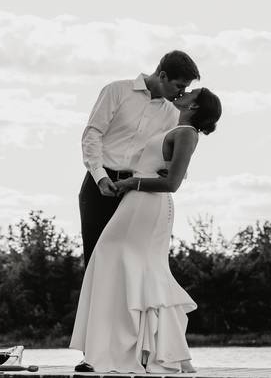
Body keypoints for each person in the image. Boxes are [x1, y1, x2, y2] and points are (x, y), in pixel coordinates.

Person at [70, 88, 222, 373]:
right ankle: (123, 347)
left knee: (119, 259)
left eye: (191, 92)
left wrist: (130, 184)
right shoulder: (176, 127)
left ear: (195, 105)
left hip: (147, 204)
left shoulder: (187, 133)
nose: (184, 92)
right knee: (122, 264)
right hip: (137, 203)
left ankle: (132, 348)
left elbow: (172, 183)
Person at [79, 51, 200, 269]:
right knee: (96, 263)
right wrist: (100, 176)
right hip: (98, 187)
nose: (182, 93)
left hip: (137, 193)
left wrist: (169, 170)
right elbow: (92, 134)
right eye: (179, 86)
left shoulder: (173, 114)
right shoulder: (116, 90)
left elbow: (173, 155)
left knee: (129, 266)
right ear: (162, 76)